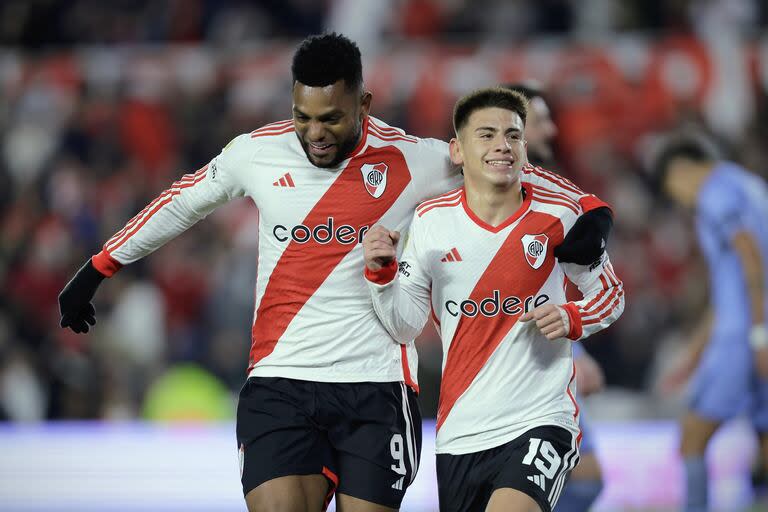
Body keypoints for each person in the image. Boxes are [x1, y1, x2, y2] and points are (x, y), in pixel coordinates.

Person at [57, 34, 611, 512]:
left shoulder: (417, 160)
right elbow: (181, 202)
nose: (314, 133)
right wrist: (99, 267)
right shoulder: (258, 153)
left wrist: (591, 211)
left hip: (376, 389)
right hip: (282, 382)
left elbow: (503, 168)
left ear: (363, 102)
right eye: (303, 117)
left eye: (331, 118)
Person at [362, 87, 624, 512]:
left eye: (513, 135)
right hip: (460, 432)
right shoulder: (430, 221)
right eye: (486, 135)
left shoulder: (560, 215)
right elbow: (404, 325)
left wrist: (572, 316)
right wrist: (380, 274)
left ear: (524, 146)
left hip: (540, 417)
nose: (502, 145)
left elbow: (610, 293)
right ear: (458, 150)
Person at [505, 81, 609, 512]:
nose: (552, 130)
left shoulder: (551, 194)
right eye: (541, 121)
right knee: (579, 480)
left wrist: (578, 351)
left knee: (582, 480)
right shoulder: (501, 200)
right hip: (516, 363)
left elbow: (555, 283)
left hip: (553, 350)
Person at [654, 131, 768, 512]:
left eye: (673, 188)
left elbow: (749, 253)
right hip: (751, 329)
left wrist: (757, 334)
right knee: (764, 435)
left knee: (691, 438)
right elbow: (731, 286)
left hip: (744, 337)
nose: (680, 200)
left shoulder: (714, 193)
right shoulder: (751, 186)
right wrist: (692, 357)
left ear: (681, 169)